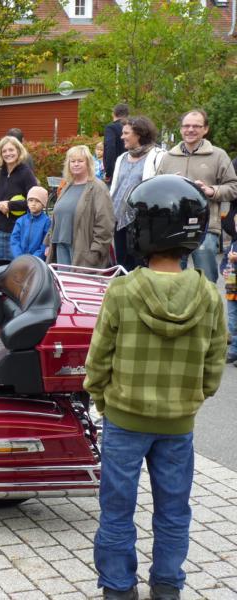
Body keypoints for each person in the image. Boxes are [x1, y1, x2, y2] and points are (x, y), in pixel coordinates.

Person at [84, 174, 227, 600]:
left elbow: (98, 360)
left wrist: (102, 400)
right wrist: (192, 399)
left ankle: (118, 587)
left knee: (116, 510)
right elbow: (214, 364)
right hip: (177, 424)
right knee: (174, 510)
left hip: (125, 420)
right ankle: (166, 586)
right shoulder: (209, 295)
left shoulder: (122, 290)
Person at [156, 109, 237, 283]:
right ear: (180, 129)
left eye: (196, 126)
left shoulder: (218, 155)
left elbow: (234, 187)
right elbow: (157, 189)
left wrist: (211, 191)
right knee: (173, 280)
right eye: (186, 126)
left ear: (205, 129)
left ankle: (207, 300)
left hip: (206, 226)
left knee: (206, 279)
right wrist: (168, 186)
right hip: (173, 226)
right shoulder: (168, 157)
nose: (190, 129)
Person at [110, 116, 166, 271]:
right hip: (119, 220)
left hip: (141, 222)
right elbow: (115, 189)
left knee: (140, 265)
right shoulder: (122, 158)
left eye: (126, 133)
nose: (122, 137)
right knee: (122, 264)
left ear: (139, 134)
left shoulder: (158, 156)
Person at [46, 145, 114, 267]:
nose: (76, 164)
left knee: (76, 280)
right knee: (63, 279)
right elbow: (56, 216)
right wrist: (48, 243)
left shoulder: (98, 188)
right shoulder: (67, 186)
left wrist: (96, 251)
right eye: (72, 161)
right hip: (60, 245)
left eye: (80, 161)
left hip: (83, 250)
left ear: (88, 163)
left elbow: (105, 223)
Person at [0, 135, 39, 263]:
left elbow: (34, 201)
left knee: (17, 268)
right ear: (0, 154)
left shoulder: (26, 173)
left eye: (11, 150)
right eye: (4, 151)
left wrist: (10, 205)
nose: (8, 153)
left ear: (18, 151)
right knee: (0, 269)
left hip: (18, 231)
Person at [10, 186, 51, 260]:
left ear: (43, 204)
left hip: (37, 261)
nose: (33, 204)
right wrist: (19, 257)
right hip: (20, 260)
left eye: (37, 201)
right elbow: (14, 241)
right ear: (27, 202)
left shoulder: (47, 222)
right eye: (31, 200)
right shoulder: (20, 221)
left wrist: (33, 259)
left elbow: (45, 244)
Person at [221, 212, 237, 364]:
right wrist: (224, 270)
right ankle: (234, 351)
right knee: (232, 322)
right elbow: (224, 263)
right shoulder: (232, 245)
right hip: (232, 289)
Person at [104, 103, 129, 183]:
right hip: (132, 168)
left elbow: (110, 148)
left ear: (113, 113)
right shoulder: (133, 127)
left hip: (116, 170)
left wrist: (108, 172)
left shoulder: (111, 128)